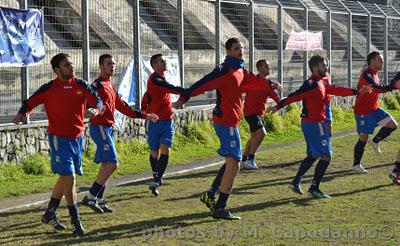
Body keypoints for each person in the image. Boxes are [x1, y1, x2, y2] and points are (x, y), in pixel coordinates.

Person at [177, 38, 275, 220]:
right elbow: (203, 83)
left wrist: (270, 85)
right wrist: (184, 97)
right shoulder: (224, 70)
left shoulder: (240, 69)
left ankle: (211, 194)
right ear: (229, 51)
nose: (241, 51)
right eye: (237, 48)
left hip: (232, 121)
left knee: (231, 161)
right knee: (235, 162)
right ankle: (220, 206)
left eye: (242, 48)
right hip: (225, 121)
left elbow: (253, 81)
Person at [13, 53, 103, 237]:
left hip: (77, 138)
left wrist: (96, 109)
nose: (72, 67)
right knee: (69, 179)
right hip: (58, 139)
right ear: (57, 70)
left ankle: (50, 213)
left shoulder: (81, 85)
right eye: (67, 65)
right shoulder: (49, 88)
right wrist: (22, 114)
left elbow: (98, 101)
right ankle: (76, 222)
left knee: (65, 179)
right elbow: (30, 102)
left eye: (71, 64)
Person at [268, 55, 371, 198]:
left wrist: (357, 92)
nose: (326, 67)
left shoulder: (320, 82)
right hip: (314, 124)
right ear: (315, 68)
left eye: (326, 65)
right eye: (323, 65)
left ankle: (295, 182)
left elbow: (335, 90)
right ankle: (314, 188)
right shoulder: (311, 83)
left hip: (313, 123)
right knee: (326, 156)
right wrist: (278, 106)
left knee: (315, 154)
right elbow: (294, 96)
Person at [82, 54, 159, 213]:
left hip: (107, 129)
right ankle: (90, 196)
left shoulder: (109, 86)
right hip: (100, 127)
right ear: (101, 67)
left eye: (114, 63)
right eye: (109, 64)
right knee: (113, 164)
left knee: (106, 165)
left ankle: (99, 199)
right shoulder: (97, 86)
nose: (113, 66)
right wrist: (91, 110)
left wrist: (145, 115)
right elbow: (88, 102)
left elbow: (124, 108)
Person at [141, 54, 186, 196]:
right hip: (154, 121)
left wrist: (178, 100)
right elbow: (169, 88)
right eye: (161, 61)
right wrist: (185, 91)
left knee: (165, 149)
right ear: (154, 65)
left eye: (165, 61)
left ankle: (156, 180)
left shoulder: (162, 79)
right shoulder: (155, 80)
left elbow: (165, 96)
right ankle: (156, 174)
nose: (164, 63)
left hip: (167, 120)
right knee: (154, 152)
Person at [352, 51, 398, 174]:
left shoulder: (375, 73)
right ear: (372, 61)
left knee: (393, 125)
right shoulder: (366, 74)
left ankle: (375, 140)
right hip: (363, 112)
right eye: (380, 59)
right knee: (363, 138)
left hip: (374, 109)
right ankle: (356, 164)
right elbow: (375, 87)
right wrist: (391, 87)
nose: (382, 62)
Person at [241, 59, 281, 169]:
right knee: (262, 133)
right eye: (266, 66)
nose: (269, 68)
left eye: (269, 66)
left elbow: (277, 98)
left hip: (259, 114)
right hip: (250, 112)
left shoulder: (268, 84)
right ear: (259, 68)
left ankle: (244, 159)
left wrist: (278, 105)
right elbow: (241, 90)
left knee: (254, 136)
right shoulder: (254, 80)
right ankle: (251, 159)